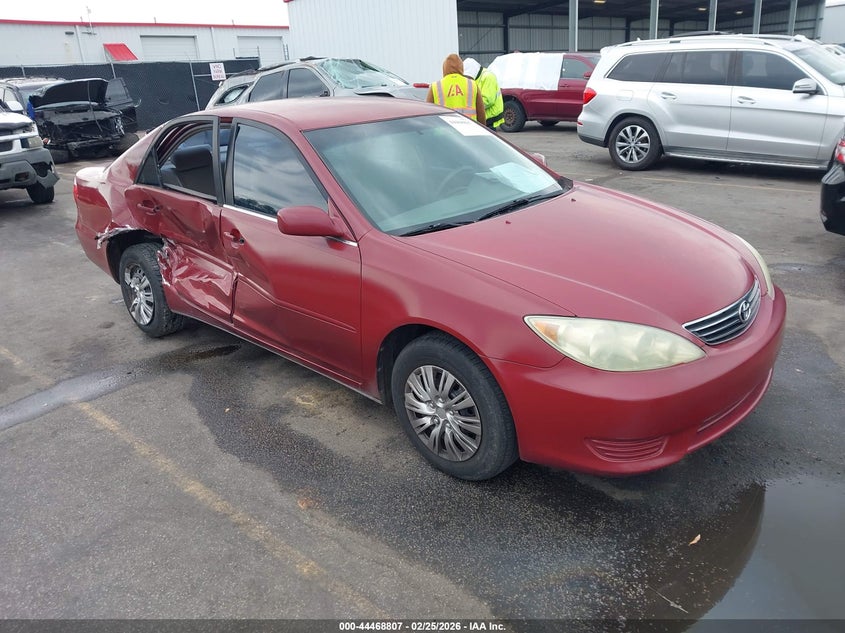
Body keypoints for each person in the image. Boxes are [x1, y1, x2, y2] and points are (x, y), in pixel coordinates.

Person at [426, 54, 486, 125]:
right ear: (461, 67)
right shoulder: (472, 84)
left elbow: (428, 115)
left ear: (444, 68)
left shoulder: (435, 86)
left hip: (445, 131)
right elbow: (481, 114)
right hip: (470, 129)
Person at [462, 57, 504, 130]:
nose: (467, 79)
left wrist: (469, 108)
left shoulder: (488, 77)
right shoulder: (476, 78)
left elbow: (487, 101)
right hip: (483, 117)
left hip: (490, 117)